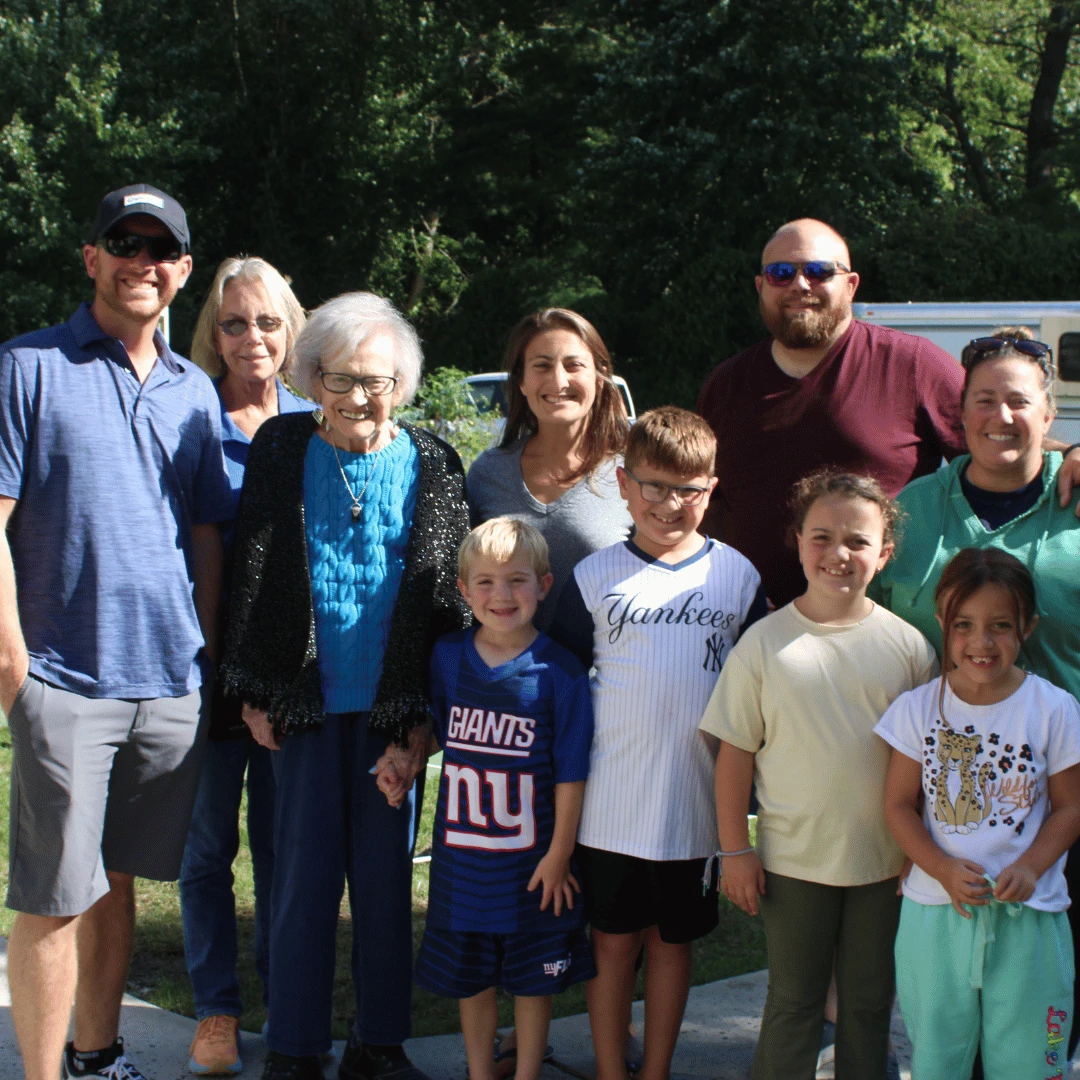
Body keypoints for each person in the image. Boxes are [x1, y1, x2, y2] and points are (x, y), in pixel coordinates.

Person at [0, 183, 232, 1080]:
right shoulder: (29, 367)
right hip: (63, 675)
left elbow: (205, 531)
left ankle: (97, 1056)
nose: (142, 262)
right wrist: (14, 659)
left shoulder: (192, 391)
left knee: (115, 881)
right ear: (91, 258)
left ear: (180, 271)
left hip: (166, 681)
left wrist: (202, 652)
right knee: (55, 896)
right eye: (122, 244)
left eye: (159, 249)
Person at [218, 291, 472, 1080]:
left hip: (391, 710)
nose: (360, 396)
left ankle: (378, 1043)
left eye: (379, 379)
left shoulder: (434, 459)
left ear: (403, 381)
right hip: (301, 704)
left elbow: (446, 599)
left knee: (387, 884)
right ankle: (294, 1045)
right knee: (299, 879)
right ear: (309, 376)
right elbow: (251, 575)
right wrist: (254, 690)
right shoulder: (283, 447)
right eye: (340, 378)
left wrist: (421, 719)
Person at [872, 327, 1080, 1063]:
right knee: (947, 1029)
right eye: (983, 400)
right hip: (948, 804)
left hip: (1060, 798)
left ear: (1049, 413)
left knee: (1041, 1029)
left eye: (1019, 400)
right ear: (959, 415)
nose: (1001, 416)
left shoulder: (1077, 495)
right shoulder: (911, 510)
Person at [695, 217, 1080, 609]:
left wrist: (1069, 453)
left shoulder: (912, 364)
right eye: (780, 273)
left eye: (818, 271)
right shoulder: (725, 384)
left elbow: (992, 429)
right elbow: (698, 500)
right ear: (761, 286)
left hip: (878, 637)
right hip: (748, 628)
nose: (799, 285)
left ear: (851, 284)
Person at [550, 407, 766, 1080]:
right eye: (653, 486)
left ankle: (657, 1070)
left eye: (689, 489)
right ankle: (613, 1070)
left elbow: (759, 693)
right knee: (612, 945)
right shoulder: (594, 576)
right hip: (609, 805)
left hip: (696, 807)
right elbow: (554, 685)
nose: (669, 503)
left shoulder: (736, 577)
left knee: (672, 947)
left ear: (711, 488)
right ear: (622, 482)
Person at [701, 470, 938, 1080]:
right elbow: (734, 754)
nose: (839, 554)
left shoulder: (909, 649)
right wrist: (734, 850)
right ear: (799, 541)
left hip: (885, 866)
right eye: (823, 537)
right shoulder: (764, 644)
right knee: (794, 1005)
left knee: (867, 1007)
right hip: (792, 864)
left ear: (884, 554)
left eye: (858, 541)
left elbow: (927, 764)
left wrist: (923, 851)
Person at [180, 257, 313, 1075]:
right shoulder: (191, 415)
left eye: (267, 322)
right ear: (212, 333)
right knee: (203, 850)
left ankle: (285, 998)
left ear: (291, 330)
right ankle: (217, 1009)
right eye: (234, 323)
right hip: (202, 663)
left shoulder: (314, 419)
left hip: (291, 671)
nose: (251, 338)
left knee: (281, 847)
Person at [877, 548, 1080, 1080]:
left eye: (1000, 626)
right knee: (938, 1060)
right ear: (943, 622)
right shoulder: (918, 709)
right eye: (964, 624)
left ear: (1027, 627)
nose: (981, 642)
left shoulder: (1054, 709)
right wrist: (941, 869)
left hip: (1030, 919)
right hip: (935, 915)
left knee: (1031, 1063)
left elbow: (1071, 806)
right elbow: (898, 807)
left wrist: (1033, 865)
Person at [412, 518, 595, 1080]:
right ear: (464, 590)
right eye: (485, 582)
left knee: (532, 981)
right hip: (463, 864)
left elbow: (571, 771)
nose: (501, 595)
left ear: (543, 585)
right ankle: (479, 1071)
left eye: (517, 581)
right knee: (472, 981)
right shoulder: (446, 658)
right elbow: (435, 731)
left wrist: (559, 854)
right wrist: (402, 760)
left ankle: (527, 1072)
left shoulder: (559, 672)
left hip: (532, 864)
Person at [467, 308, 633, 630]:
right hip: (509, 678)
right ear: (522, 382)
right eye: (542, 365)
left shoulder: (630, 475)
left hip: (606, 677)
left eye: (574, 366)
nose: (558, 380)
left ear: (599, 377)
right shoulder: (488, 474)